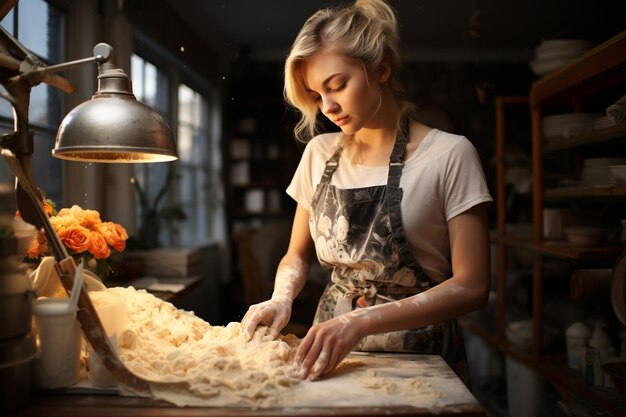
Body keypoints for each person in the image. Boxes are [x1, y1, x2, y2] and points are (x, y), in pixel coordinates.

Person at [241, 0, 492, 385]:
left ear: (380, 68)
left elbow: (473, 286)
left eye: (338, 85)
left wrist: (361, 321)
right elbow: (296, 255)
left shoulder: (449, 154)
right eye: (316, 95)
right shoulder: (318, 154)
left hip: (422, 363)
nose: (328, 107)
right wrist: (281, 298)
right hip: (328, 358)